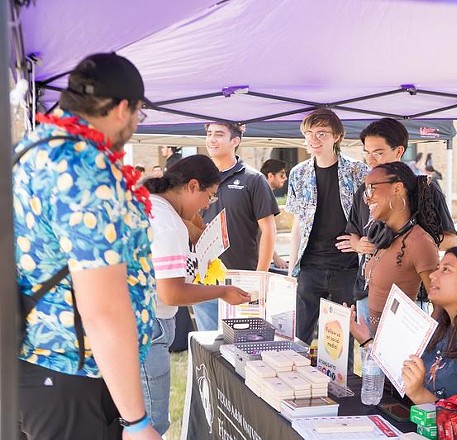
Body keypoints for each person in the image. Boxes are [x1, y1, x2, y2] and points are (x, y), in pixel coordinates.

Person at [14, 53, 161, 439]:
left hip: (45, 368)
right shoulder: (83, 167)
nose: (133, 125)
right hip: (73, 373)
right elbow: (102, 308)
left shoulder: (35, 146)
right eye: (138, 116)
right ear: (122, 109)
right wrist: (137, 420)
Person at [352, 246, 457, 439]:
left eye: (446, 270)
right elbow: (401, 368)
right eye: (438, 267)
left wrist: (418, 393)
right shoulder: (443, 327)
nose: (433, 275)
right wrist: (368, 341)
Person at [141, 155, 251, 435]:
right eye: (209, 196)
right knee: (151, 423)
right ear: (192, 186)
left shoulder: (159, 209)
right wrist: (223, 291)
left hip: (142, 322)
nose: (207, 205)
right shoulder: (167, 224)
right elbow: (172, 292)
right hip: (149, 326)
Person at [340, 118, 457, 328]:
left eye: (378, 152)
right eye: (366, 153)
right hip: (367, 290)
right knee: (370, 358)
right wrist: (359, 245)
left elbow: (451, 240)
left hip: (408, 297)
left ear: (399, 150)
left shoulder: (426, 190)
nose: (371, 159)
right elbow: (353, 233)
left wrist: (409, 248)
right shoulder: (363, 190)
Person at [286, 108, 369, 344]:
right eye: (309, 133)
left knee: (339, 344)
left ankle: (339, 384)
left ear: (337, 137)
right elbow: (297, 224)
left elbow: (373, 217)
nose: (314, 139)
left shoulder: (358, 172)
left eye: (321, 133)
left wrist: (361, 244)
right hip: (309, 268)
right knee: (299, 340)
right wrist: (292, 270)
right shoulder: (298, 174)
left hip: (347, 269)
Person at [192, 122, 279, 331]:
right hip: (204, 279)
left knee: (241, 349)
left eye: (219, 135)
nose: (212, 139)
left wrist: (260, 276)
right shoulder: (196, 179)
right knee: (208, 350)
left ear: (235, 141)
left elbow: (268, 229)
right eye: (209, 134)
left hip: (242, 280)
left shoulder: (254, 179)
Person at [353, 162, 443, 334]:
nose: (367, 198)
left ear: (397, 188)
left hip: (399, 351)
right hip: (374, 347)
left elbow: (440, 308)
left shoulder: (419, 242)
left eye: (372, 189)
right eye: (365, 191)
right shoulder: (385, 235)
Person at [260, 158, 289, 269]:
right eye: (282, 175)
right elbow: (262, 232)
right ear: (271, 176)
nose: (285, 178)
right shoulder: (262, 194)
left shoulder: (264, 193)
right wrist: (276, 258)